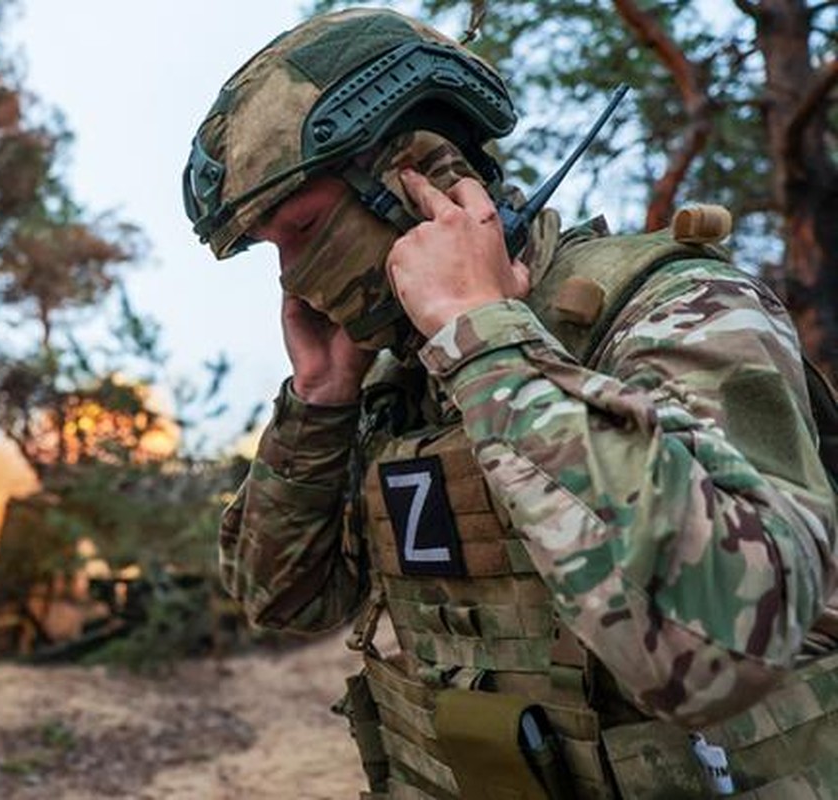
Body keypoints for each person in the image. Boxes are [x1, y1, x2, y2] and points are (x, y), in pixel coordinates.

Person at [182, 8, 838, 797]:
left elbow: (724, 643)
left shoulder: (675, 307)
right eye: (270, 251)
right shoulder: (396, 381)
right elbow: (282, 598)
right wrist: (318, 404)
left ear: (415, 182)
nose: (291, 280)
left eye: (306, 228)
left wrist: (481, 336)